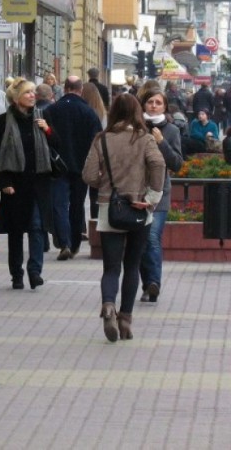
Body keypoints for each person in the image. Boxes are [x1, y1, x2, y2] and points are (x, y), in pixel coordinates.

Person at [82, 93, 165, 342]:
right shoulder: (145, 139)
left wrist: (104, 184)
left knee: (111, 266)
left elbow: (87, 175)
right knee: (132, 266)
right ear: (137, 112)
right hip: (139, 208)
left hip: (110, 208)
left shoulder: (102, 139)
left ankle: (108, 305)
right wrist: (152, 196)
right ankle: (126, 319)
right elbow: (159, 165)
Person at [0, 79, 57, 290]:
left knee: (38, 228)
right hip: (15, 184)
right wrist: (4, 182)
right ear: (16, 97)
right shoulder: (4, 121)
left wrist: (48, 131)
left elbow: (57, 145)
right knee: (16, 231)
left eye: (33, 92)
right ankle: (16, 274)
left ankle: (34, 270)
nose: (33, 95)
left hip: (39, 182)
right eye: (28, 92)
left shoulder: (41, 117)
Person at [43, 76, 102, 260]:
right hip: (81, 167)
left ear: (65, 88)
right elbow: (97, 141)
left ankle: (64, 243)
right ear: (80, 89)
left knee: (59, 204)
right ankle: (75, 244)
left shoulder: (51, 110)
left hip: (57, 165)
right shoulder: (89, 112)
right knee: (77, 206)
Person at [138, 89, 183, 303]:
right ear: (144, 105)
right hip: (136, 192)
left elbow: (177, 164)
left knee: (152, 238)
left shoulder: (172, 130)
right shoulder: (135, 128)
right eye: (150, 102)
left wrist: (161, 142)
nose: (154, 105)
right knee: (140, 240)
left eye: (158, 103)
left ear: (165, 107)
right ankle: (147, 283)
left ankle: (154, 283)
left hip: (160, 193)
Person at [81, 81, 108, 221]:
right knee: (95, 193)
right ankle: (95, 220)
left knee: (78, 195)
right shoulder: (103, 114)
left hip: (80, 156)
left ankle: (80, 227)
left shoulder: (81, 111)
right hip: (98, 157)